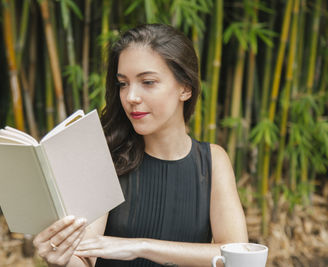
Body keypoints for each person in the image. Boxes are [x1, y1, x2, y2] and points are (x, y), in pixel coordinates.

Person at [33, 23, 248, 267]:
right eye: (123, 83)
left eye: (147, 82)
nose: (131, 97)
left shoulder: (213, 161)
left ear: (185, 88)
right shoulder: (104, 157)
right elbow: (84, 258)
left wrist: (140, 246)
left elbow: (237, 256)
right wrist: (59, 259)